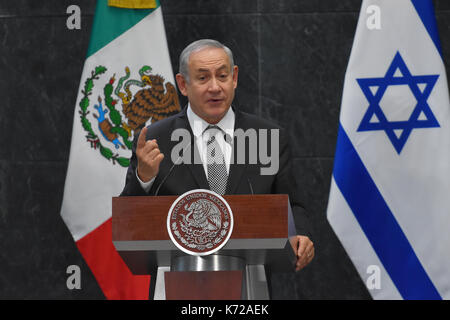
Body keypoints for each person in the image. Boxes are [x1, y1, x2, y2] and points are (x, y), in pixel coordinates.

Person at [120, 39, 314, 271]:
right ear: (182, 84)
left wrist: (301, 234)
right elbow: (128, 217)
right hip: (175, 280)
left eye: (222, 76)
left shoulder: (268, 136)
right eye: (203, 78)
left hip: (250, 282)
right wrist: (144, 178)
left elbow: (292, 204)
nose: (215, 87)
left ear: (234, 78)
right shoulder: (155, 139)